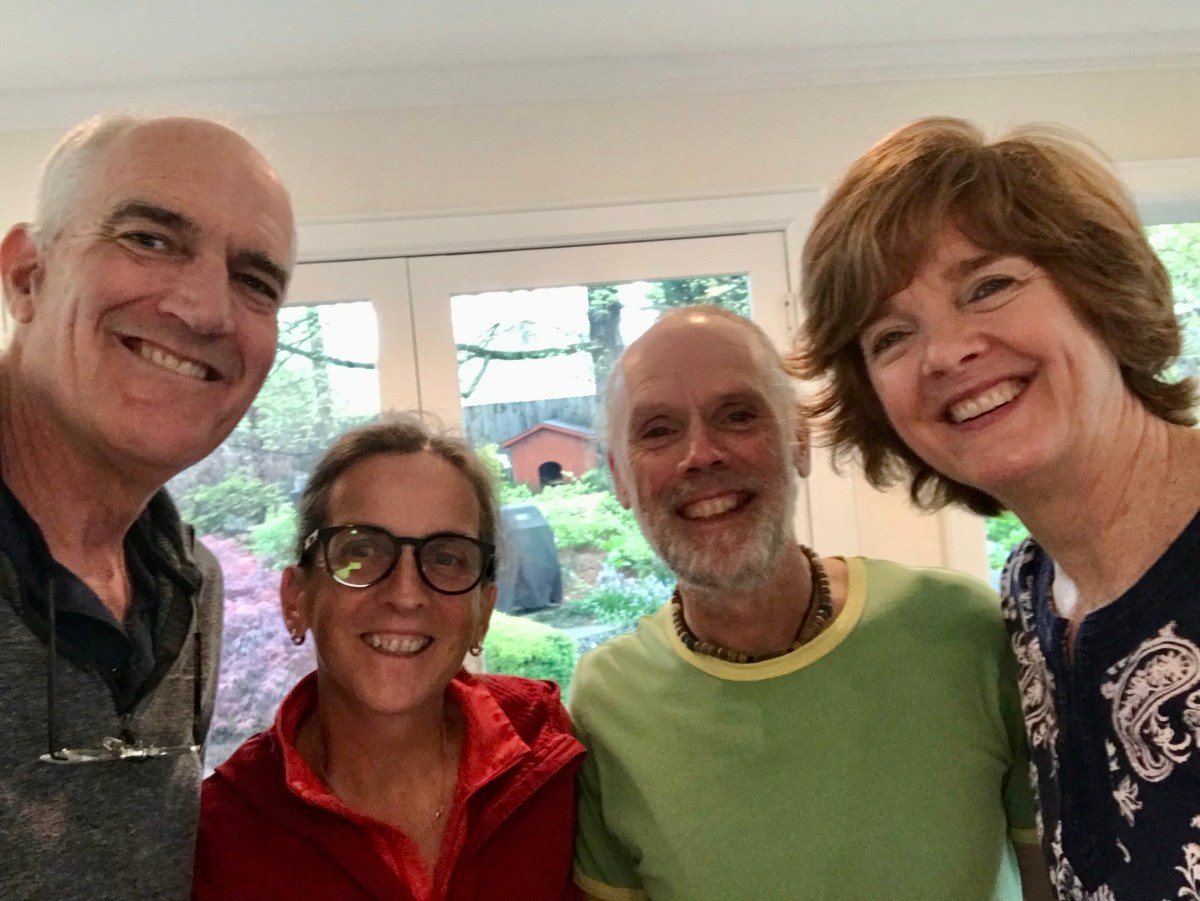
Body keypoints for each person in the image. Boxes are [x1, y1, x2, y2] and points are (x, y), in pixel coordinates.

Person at [795, 116, 1200, 898]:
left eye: (989, 287)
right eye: (891, 335)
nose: (946, 351)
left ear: (1099, 289)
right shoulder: (1029, 590)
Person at [571, 305, 1049, 901]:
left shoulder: (961, 630)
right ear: (620, 477)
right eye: (658, 430)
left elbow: (1055, 879)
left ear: (798, 439)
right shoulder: (606, 702)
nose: (701, 453)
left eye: (738, 415)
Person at [0, 114, 294, 898]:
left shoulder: (190, 586)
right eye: (149, 239)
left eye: (255, 280)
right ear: (27, 276)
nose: (206, 310)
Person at [195, 417, 586, 900]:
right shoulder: (220, 834)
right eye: (361, 551)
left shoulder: (551, 750)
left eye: (446, 557)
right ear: (296, 598)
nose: (405, 595)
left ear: (482, 613)